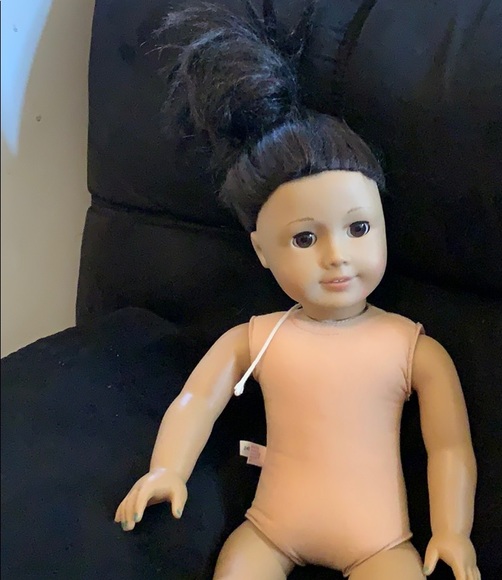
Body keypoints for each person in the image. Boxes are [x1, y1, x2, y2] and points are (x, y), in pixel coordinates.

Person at [115, 3, 479, 579]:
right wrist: (167, 470)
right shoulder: (257, 339)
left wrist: (453, 532)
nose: (336, 256)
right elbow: (195, 401)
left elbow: (450, 448)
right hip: (270, 530)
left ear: (384, 227)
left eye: (359, 229)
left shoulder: (416, 350)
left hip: (380, 543)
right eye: (305, 238)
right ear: (262, 251)